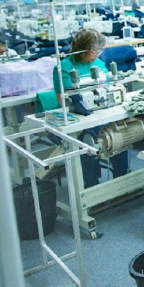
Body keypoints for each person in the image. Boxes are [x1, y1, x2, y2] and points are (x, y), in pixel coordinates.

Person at [52, 28, 128, 188]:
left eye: (100, 49)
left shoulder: (98, 63)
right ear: (81, 48)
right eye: (94, 50)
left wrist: (117, 87)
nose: (98, 53)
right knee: (87, 139)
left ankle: (122, 180)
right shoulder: (64, 67)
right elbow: (64, 100)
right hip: (78, 117)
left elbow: (108, 88)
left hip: (102, 113)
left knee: (119, 133)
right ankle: (91, 185)